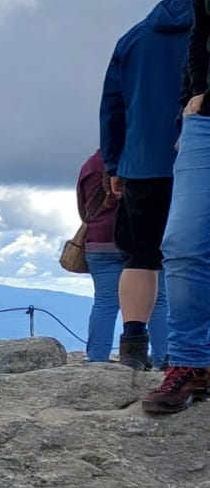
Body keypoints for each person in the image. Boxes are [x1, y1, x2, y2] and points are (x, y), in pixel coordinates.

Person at [100, 0, 195, 369]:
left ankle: (134, 348)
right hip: (198, 158)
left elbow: (113, 105)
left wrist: (114, 164)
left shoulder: (135, 36)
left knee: (140, 257)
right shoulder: (203, 32)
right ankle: (191, 353)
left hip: (142, 163)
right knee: (196, 259)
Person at [146, 0, 210, 415]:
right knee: (182, 243)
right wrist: (192, 100)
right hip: (204, 119)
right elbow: (200, 32)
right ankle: (191, 362)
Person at [78, 148, 169, 363]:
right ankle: (163, 358)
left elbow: (83, 206)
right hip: (143, 240)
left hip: (100, 242)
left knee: (104, 302)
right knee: (158, 300)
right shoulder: (143, 158)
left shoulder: (90, 165)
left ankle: (97, 359)